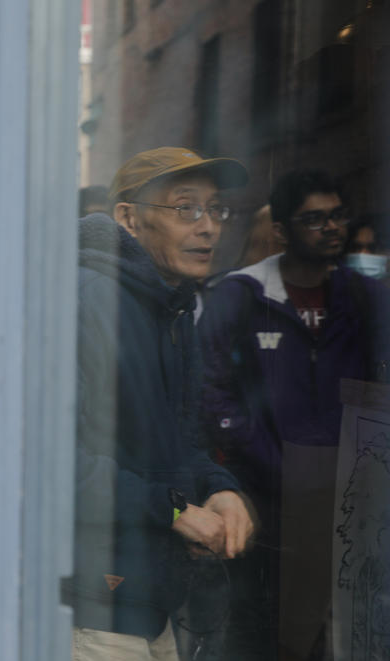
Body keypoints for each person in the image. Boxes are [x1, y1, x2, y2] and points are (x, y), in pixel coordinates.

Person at [66, 147, 256, 660]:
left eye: (216, 209)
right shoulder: (88, 299)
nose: (208, 227)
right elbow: (56, 463)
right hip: (95, 606)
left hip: (150, 602)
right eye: (185, 208)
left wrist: (220, 490)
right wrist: (174, 510)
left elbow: (183, 442)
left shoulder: (171, 307)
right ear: (128, 219)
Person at [199, 169, 390, 660]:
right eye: (314, 219)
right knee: (264, 635)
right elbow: (212, 392)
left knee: (339, 634)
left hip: (346, 502)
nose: (331, 228)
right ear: (281, 231)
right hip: (267, 500)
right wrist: (262, 459)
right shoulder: (241, 296)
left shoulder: (364, 298)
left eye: (337, 217)